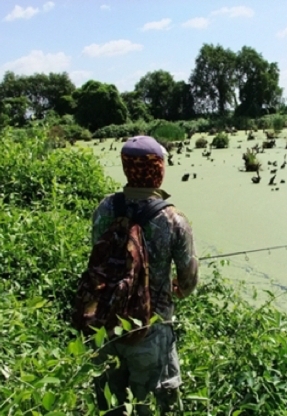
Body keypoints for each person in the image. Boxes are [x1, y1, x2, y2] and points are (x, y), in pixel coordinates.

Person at [91, 135, 199, 415]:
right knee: (155, 404)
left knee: (111, 403)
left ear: (127, 168)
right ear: (158, 170)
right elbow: (188, 281)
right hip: (152, 331)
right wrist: (179, 288)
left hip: (107, 325)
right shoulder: (175, 220)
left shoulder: (104, 209)